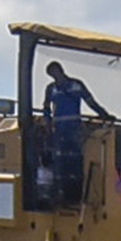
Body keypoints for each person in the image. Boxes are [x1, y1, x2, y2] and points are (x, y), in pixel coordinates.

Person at [36, 60, 90, 211]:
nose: (54, 76)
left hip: (73, 127)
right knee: (59, 161)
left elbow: (90, 101)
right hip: (58, 128)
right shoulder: (51, 89)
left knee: (75, 158)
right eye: (51, 74)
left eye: (55, 72)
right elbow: (46, 108)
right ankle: (61, 193)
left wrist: (104, 114)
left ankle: (76, 193)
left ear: (60, 70)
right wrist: (47, 124)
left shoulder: (76, 85)